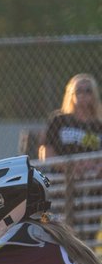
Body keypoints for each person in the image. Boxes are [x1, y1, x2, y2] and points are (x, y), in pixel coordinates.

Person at [40, 73, 102, 240]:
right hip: (62, 178)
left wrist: (96, 168)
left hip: (92, 180)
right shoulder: (59, 120)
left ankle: (88, 247)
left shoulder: (99, 125)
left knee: (89, 225)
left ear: (94, 95)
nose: (82, 94)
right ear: (71, 94)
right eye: (78, 90)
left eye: (88, 90)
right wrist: (70, 169)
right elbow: (47, 152)